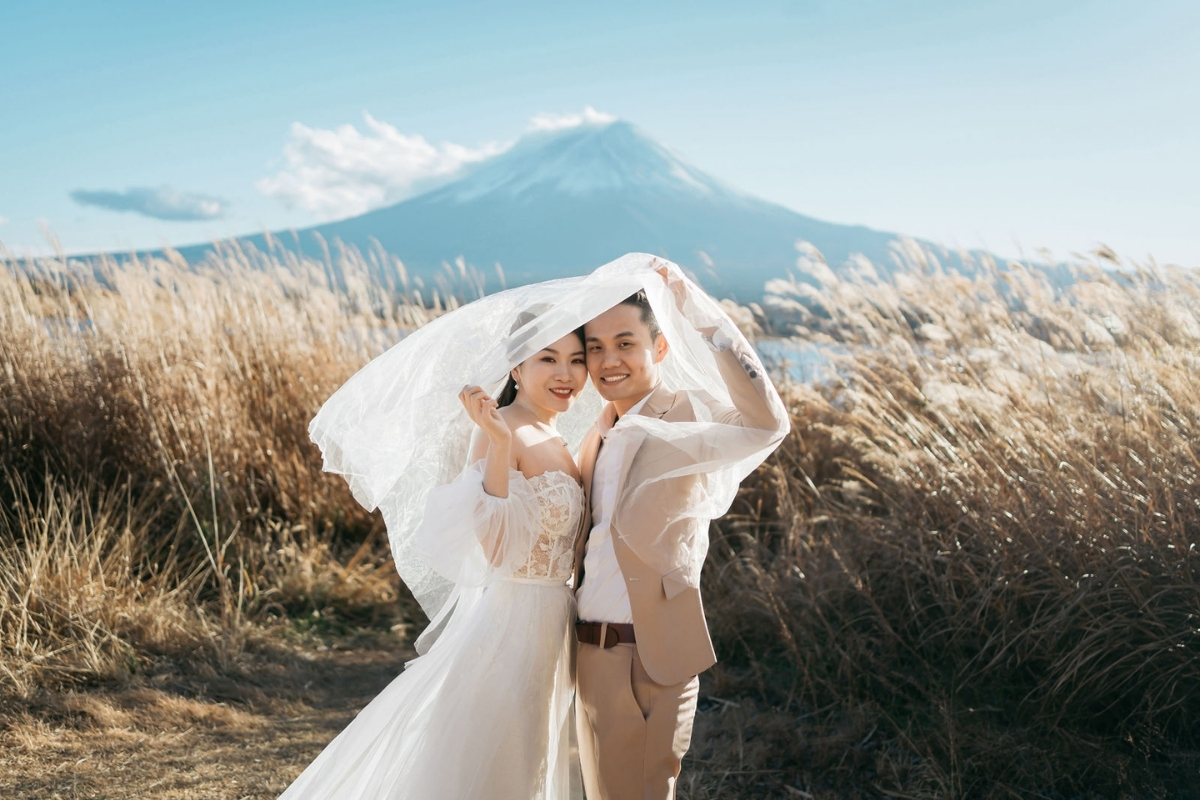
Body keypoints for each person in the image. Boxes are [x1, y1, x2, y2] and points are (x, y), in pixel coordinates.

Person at [280, 325, 588, 800]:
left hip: (554, 621)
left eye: (577, 359)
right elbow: (497, 551)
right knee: (503, 763)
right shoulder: (500, 430)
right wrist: (500, 444)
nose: (565, 373)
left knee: (532, 755)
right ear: (516, 368)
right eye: (548, 359)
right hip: (514, 623)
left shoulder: (556, 432)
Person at [573, 264, 790, 799]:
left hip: (650, 653)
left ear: (661, 348)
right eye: (595, 347)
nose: (609, 360)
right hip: (585, 653)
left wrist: (708, 322)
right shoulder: (593, 433)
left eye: (625, 342)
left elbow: (767, 425)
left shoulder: (689, 412)